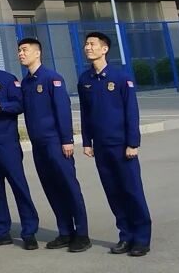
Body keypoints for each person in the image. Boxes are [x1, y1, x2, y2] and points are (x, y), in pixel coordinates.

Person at [79, 30, 152, 257]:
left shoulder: (121, 77)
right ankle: (126, 236)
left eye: (92, 44)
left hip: (121, 146)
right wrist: (87, 141)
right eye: (86, 44)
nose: (88, 47)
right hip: (101, 146)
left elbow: (131, 111)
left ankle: (141, 238)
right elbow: (85, 113)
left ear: (104, 49)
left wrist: (132, 143)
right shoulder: (85, 79)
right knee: (113, 192)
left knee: (132, 191)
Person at [17, 36, 89, 252]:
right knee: (51, 188)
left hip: (55, 142)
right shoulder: (26, 82)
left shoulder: (52, 78)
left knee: (69, 187)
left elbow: (62, 110)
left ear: (37, 53)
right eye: (19, 50)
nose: (21, 54)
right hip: (38, 144)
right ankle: (65, 231)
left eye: (25, 50)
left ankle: (82, 234)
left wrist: (66, 140)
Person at [0, 40, 40, 249]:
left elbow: (19, 105)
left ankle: (29, 232)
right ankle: (1, 232)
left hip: (6, 144)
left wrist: (0, 105)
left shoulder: (7, 80)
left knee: (19, 188)